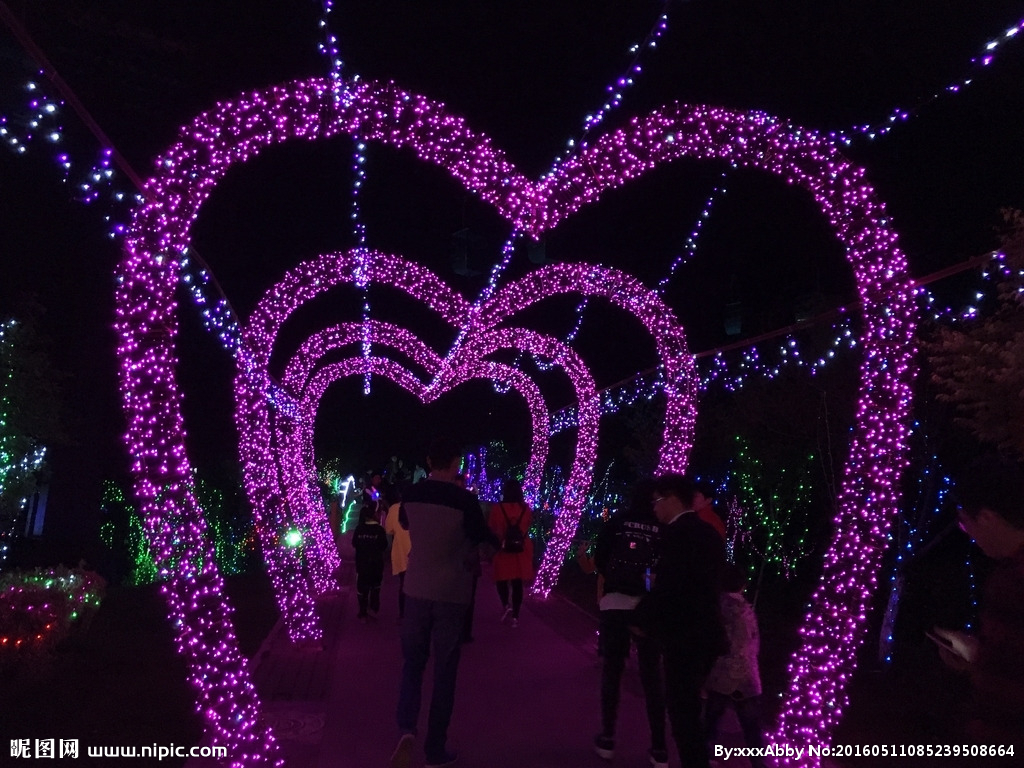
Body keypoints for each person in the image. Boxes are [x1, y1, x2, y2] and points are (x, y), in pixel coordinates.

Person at [389, 438, 499, 768]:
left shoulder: (412, 494)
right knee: (444, 671)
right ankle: (435, 749)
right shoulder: (464, 501)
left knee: (412, 663)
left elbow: (408, 525)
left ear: (427, 459)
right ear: (455, 464)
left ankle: (407, 730)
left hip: (416, 587)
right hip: (451, 593)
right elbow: (483, 541)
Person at [632, 473, 727, 768]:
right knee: (691, 711)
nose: (655, 508)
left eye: (657, 501)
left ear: (672, 498)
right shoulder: (710, 532)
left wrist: (642, 618)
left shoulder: (674, 536)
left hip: (684, 636)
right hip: (708, 632)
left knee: (682, 714)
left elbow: (670, 586)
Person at [932, 456, 1024, 745]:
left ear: (986, 517)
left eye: (964, 524)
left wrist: (978, 661)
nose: (967, 534)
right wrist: (977, 657)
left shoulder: (1012, 580)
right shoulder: (1008, 571)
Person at [592, 480, 668, 768]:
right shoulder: (662, 528)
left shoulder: (618, 522)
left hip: (614, 603)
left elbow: (600, 558)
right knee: (651, 676)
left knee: (612, 670)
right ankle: (659, 747)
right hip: (648, 607)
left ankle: (608, 738)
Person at [703, 563, 766, 768]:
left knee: (712, 719)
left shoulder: (717, 608)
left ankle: (706, 755)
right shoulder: (747, 611)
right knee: (751, 726)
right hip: (747, 674)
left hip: (721, 674)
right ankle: (758, 762)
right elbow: (754, 642)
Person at [488, 477, 534, 628]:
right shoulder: (526, 509)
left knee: (501, 579)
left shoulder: (497, 509)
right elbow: (527, 526)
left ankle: (506, 605)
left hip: (503, 548)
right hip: (521, 550)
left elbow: (492, 528)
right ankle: (516, 616)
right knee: (517, 582)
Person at [351, 502, 388, 621]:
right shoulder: (379, 530)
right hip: (376, 564)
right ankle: (374, 606)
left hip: (362, 564)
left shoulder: (359, 529)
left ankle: (363, 610)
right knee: (375, 586)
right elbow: (384, 546)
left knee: (362, 588)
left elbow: (354, 544)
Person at [384, 486, 412, 620]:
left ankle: (403, 615)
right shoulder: (418, 509)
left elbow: (388, 530)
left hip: (400, 551)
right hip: (417, 553)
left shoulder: (394, 509)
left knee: (403, 584)